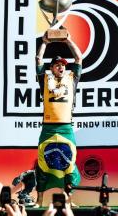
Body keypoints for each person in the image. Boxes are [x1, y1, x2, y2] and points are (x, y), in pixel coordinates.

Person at [34, 33, 83, 207]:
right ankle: (39, 200)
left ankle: (68, 200)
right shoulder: (45, 79)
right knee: (42, 162)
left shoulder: (72, 79)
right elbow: (38, 59)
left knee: (69, 163)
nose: (61, 67)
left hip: (65, 128)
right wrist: (44, 43)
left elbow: (79, 57)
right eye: (57, 65)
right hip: (48, 128)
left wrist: (68, 39)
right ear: (52, 68)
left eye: (63, 65)